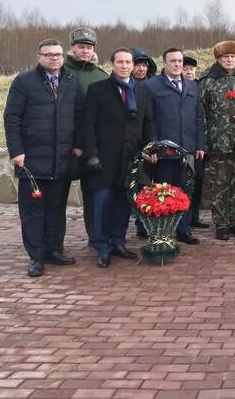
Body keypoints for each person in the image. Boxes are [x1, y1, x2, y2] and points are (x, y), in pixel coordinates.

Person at [3, 39, 82, 277]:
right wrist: (16, 150)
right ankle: (36, 256)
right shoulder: (24, 82)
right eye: (48, 54)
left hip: (61, 159)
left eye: (58, 54)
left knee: (57, 209)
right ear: (39, 56)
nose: (54, 58)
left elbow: (78, 115)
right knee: (33, 211)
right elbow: (12, 118)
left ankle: (54, 250)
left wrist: (78, 145)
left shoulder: (70, 81)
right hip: (32, 160)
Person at [78, 48, 156, 268]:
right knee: (102, 204)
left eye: (128, 62)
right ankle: (102, 247)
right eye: (120, 62)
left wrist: (150, 148)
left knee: (123, 204)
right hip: (103, 158)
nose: (125, 66)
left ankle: (118, 242)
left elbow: (148, 122)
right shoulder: (98, 89)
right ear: (112, 64)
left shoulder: (142, 90)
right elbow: (88, 125)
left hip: (131, 158)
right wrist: (91, 153)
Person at [144, 48, 206, 245]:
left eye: (179, 61)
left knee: (185, 191)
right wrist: (151, 147)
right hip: (164, 152)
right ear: (164, 63)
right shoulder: (151, 86)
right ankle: (163, 231)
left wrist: (200, 144)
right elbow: (149, 120)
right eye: (173, 61)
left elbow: (198, 117)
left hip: (187, 149)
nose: (177, 64)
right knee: (163, 193)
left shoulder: (192, 86)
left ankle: (184, 229)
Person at [199, 40, 235, 240]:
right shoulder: (208, 80)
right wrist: (204, 140)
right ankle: (221, 224)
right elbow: (200, 112)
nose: (230, 60)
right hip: (218, 141)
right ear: (218, 59)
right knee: (220, 185)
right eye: (225, 57)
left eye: (233, 57)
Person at [61, 26, 108, 248]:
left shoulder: (101, 76)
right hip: (66, 146)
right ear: (72, 48)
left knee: (93, 194)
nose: (85, 51)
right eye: (81, 47)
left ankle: (95, 236)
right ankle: (54, 243)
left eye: (89, 47)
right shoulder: (62, 73)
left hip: (93, 147)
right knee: (58, 197)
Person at [182, 55, 209, 229]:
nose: (189, 71)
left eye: (192, 69)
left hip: (199, 142)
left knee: (198, 180)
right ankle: (182, 218)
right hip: (182, 143)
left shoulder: (199, 86)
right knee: (183, 182)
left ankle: (194, 216)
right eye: (186, 68)